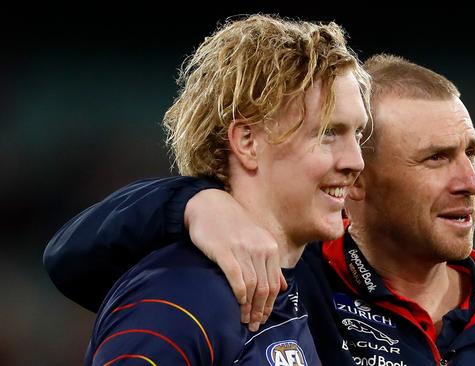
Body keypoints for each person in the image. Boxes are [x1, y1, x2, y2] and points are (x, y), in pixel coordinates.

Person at [45, 54, 475, 365]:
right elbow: (69, 258)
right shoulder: (290, 281)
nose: (470, 181)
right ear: (356, 180)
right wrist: (193, 202)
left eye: (471, 153)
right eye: (435, 159)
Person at [58, 14, 373, 365]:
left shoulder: (299, 288)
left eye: (358, 135)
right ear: (248, 142)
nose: (355, 160)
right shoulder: (176, 300)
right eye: (329, 132)